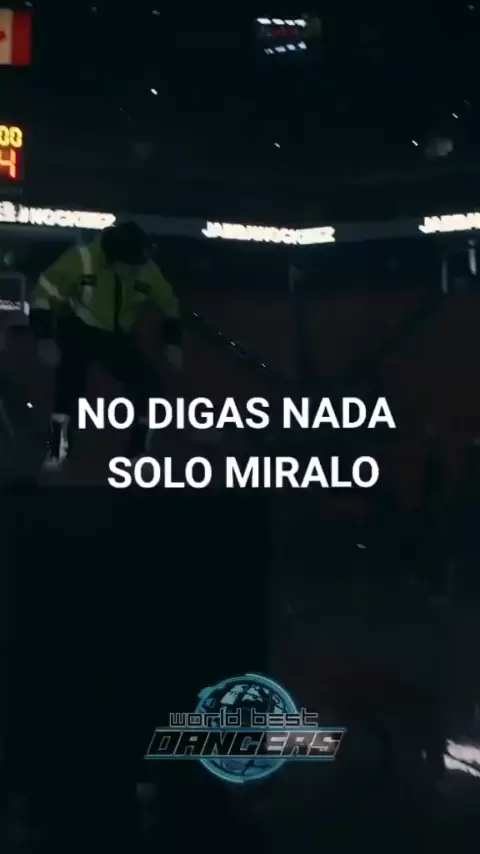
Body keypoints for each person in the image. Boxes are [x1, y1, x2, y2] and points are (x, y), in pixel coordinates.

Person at [29, 221, 183, 468]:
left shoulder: (145, 268)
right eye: (129, 266)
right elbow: (42, 296)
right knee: (68, 390)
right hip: (78, 327)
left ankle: (138, 449)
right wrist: (44, 338)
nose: (135, 272)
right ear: (113, 259)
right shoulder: (81, 259)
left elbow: (168, 303)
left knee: (153, 389)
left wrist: (173, 341)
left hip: (116, 334)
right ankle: (57, 451)